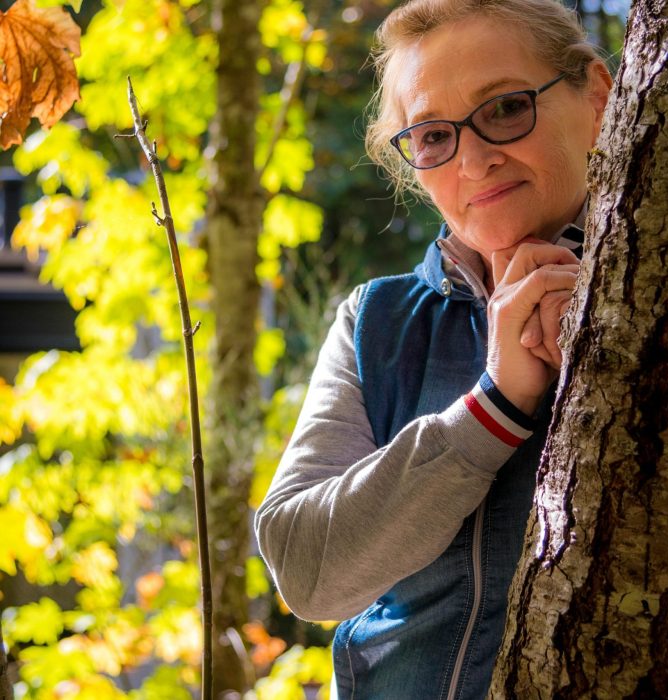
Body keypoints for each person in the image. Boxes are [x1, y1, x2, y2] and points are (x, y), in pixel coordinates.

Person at [255, 0, 612, 697]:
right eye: (432, 136)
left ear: (597, 97)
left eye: (507, 108)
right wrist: (492, 409)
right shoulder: (376, 319)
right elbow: (304, 567)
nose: (474, 159)